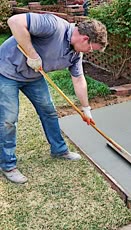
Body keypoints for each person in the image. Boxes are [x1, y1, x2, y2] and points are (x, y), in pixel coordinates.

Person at [0, 13, 108, 184]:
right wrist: (32, 54)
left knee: (49, 111)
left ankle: (59, 150)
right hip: (6, 71)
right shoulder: (53, 25)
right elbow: (14, 21)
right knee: (8, 119)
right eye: (91, 48)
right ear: (85, 38)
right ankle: (8, 165)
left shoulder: (75, 54)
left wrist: (86, 109)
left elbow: (79, 80)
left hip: (33, 77)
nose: (89, 52)